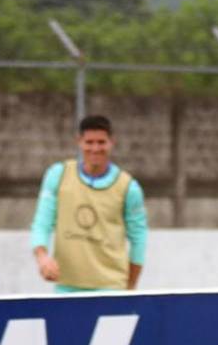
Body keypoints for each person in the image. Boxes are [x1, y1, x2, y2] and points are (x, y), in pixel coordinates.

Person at [30, 114, 148, 292]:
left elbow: (139, 238)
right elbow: (42, 222)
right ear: (79, 142)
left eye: (101, 142)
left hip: (111, 287)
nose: (95, 148)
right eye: (89, 142)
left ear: (111, 142)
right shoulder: (58, 175)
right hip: (66, 286)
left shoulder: (128, 187)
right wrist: (42, 257)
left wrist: (130, 287)